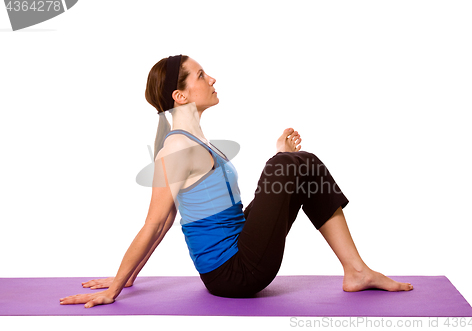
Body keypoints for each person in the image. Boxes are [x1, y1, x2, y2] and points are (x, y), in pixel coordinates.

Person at [60, 55, 413, 309]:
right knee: (291, 163)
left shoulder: (198, 142)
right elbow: (155, 222)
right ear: (180, 96)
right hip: (233, 273)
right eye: (201, 75)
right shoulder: (177, 147)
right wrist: (117, 285)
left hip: (242, 255)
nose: (211, 79)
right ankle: (356, 269)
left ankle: (356, 271)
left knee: (303, 163)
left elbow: (169, 219)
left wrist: (132, 275)